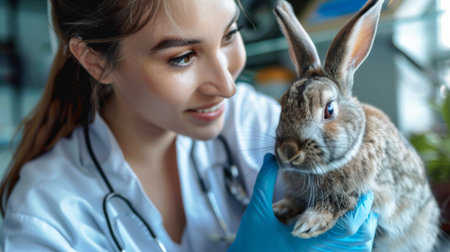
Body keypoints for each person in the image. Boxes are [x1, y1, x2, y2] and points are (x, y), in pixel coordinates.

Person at [0, 0, 378, 251]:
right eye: (182, 57)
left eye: (230, 35)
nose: (227, 86)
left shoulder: (248, 119)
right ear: (95, 61)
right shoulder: (46, 217)